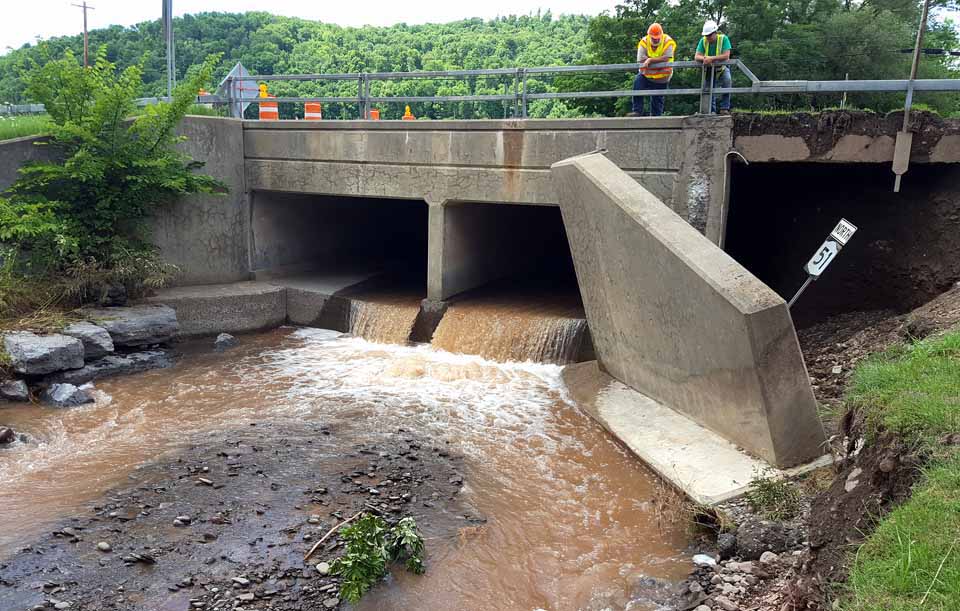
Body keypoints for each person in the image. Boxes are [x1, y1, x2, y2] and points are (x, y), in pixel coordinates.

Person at [628, 23, 676, 117]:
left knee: (657, 100)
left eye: (657, 37)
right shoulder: (644, 42)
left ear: (661, 35)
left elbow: (667, 57)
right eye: (653, 38)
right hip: (646, 75)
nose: (656, 39)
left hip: (662, 77)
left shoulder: (668, 41)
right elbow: (640, 59)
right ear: (649, 36)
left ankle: (656, 119)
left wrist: (650, 60)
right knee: (637, 86)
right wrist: (658, 61)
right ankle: (637, 112)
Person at [695, 20, 733, 114]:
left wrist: (711, 59)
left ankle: (725, 107)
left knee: (727, 81)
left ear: (715, 33)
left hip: (722, 67)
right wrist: (705, 59)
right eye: (706, 36)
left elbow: (726, 56)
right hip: (709, 68)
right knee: (707, 88)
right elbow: (696, 56)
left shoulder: (723, 39)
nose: (707, 38)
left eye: (709, 35)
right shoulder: (703, 41)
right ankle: (710, 111)